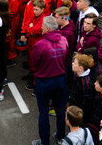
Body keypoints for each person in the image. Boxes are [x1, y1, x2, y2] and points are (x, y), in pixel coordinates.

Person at [31, 16, 70, 145]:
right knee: (60, 109)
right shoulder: (64, 40)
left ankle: (44, 141)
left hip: (44, 82)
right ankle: (60, 135)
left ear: (47, 28)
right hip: (60, 81)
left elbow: (34, 63)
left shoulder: (40, 44)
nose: (41, 27)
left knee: (43, 112)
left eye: (42, 25)